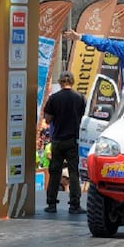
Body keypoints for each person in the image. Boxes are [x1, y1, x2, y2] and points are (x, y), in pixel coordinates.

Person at [43, 70, 86, 214]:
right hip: (73, 140)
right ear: (72, 82)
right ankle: (74, 204)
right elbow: (83, 118)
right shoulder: (80, 98)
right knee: (74, 173)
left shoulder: (54, 98)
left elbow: (48, 119)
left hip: (57, 140)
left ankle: (51, 204)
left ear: (61, 82)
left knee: (55, 172)